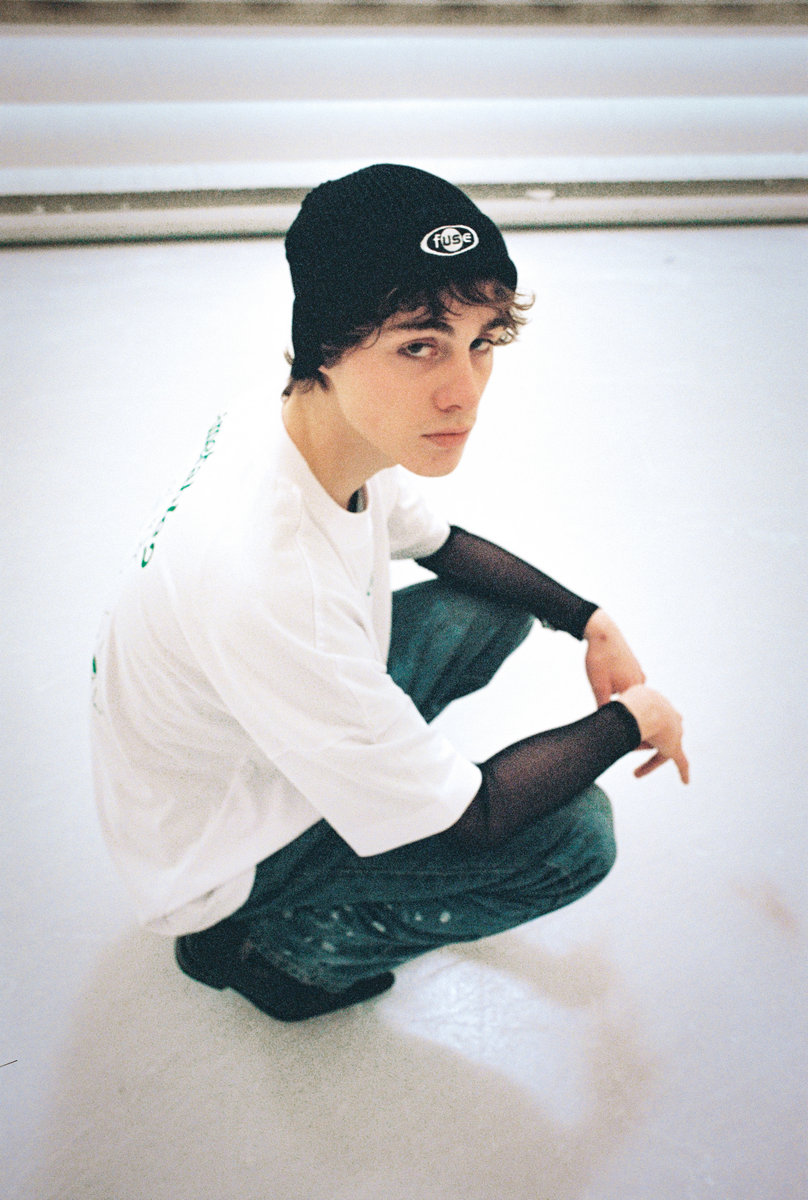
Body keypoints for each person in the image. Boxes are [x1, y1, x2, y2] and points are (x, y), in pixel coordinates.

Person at [91, 164, 688, 1022]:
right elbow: (477, 818)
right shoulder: (266, 578)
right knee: (576, 838)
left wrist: (589, 620)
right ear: (327, 343)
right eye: (419, 345)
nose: (464, 392)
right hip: (217, 849)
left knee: (491, 610)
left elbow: (442, 545)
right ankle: (278, 959)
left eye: (482, 341)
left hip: (246, 734)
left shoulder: (303, 422)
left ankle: (368, 782)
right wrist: (635, 718)